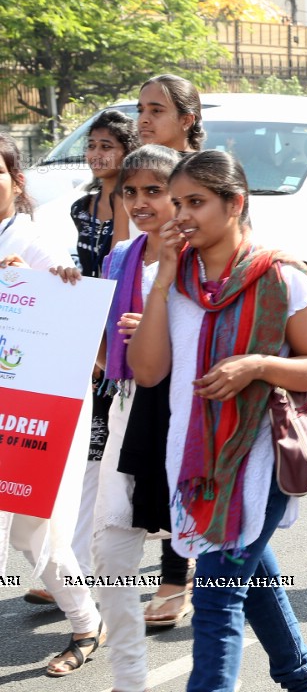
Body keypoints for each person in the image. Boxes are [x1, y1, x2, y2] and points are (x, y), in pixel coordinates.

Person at [127, 150, 307, 692]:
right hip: (196, 463)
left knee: (217, 598)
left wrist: (258, 366)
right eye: (178, 203)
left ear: (235, 203)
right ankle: (304, 681)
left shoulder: (282, 276)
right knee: (252, 577)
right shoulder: (171, 278)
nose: (182, 215)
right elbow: (147, 372)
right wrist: (163, 278)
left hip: (259, 459)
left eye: (195, 202)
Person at [0, 135, 105, 677]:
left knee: (32, 528)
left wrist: (46, 282)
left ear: (16, 182)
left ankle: (87, 624)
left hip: (36, 407)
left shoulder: (35, 244)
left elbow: (72, 307)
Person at [91, 144, 182, 692]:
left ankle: (295, 673)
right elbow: (107, 359)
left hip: (189, 416)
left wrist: (153, 328)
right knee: (111, 550)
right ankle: (129, 678)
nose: (142, 202)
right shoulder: (120, 257)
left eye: (155, 190)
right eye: (131, 192)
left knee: (231, 559)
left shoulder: (201, 256)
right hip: (129, 412)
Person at [59, 111, 139, 599]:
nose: (96, 155)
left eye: (107, 145)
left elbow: (119, 269)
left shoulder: (134, 204)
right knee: (92, 448)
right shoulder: (81, 206)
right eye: (92, 145)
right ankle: (77, 565)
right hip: (86, 333)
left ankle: (180, 563)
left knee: (115, 450)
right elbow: (84, 267)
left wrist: (106, 343)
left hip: (122, 336)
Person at [135, 73, 204, 628]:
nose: (144, 118)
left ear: (186, 118)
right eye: (140, 109)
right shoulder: (136, 179)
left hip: (195, 326)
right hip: (145, 329)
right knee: (152, 455)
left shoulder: (209, 174)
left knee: (184, 450)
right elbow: (123, 255)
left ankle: (178, 576)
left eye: (156, 109)